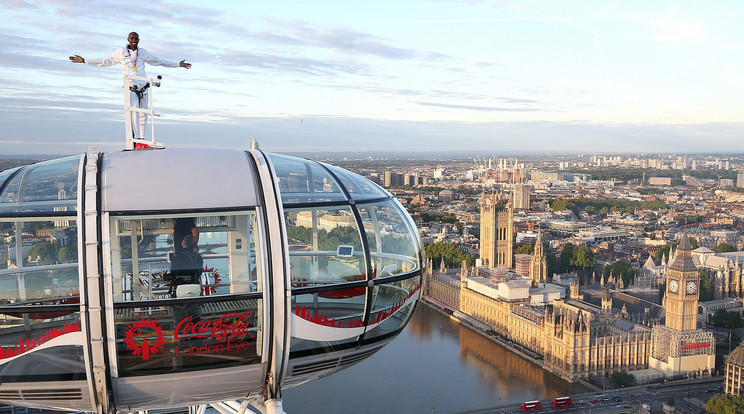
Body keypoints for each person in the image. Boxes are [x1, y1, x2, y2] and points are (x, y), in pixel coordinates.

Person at [69, 32, 191, 147]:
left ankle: (142, 140)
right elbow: (105, 61)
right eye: (131, 38)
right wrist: (85, 61)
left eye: (136, 39)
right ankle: (137, 140)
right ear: (128, 39)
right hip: (131, 86)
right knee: (134, 112)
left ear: (139, 40)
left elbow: (158, 61)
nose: (134, 41)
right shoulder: (121, 52)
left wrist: (177, 64)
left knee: (144, 113)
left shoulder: (142, 52)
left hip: (144, 86)